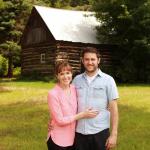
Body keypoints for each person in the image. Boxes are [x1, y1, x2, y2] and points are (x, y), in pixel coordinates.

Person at [72, 47, 119, 150]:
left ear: (98, 60)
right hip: (79, 134)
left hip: (100, 133)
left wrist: (114, 135)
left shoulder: (108, 80)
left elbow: (114, 109)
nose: (90, 62)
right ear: (82, 61)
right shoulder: (76, 80)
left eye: (93, 59)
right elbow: (68, 104)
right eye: (87, 59)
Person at [47, 61, 99, 150]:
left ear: (71, 74)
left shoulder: (74, 89)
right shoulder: (53, 94)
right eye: (61, 74)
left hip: (73, 139)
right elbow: (60, 120)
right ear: (57, 76)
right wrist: (82, 115)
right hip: (58, 140)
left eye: (68, 73)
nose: (65, 76)